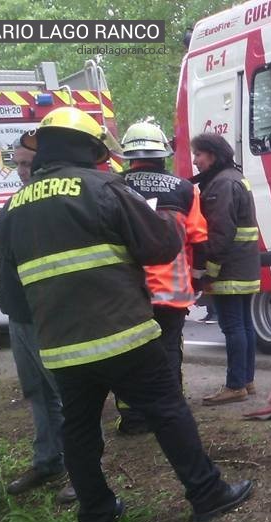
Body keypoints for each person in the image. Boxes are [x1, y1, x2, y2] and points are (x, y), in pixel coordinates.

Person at [0, 107, 253, 522]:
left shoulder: (15, 207)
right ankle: (207, 494)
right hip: (123, 335)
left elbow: (10, 292)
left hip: (62, 346)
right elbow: (158, 246)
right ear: (87, 148)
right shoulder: (102, 187)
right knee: (169, 410)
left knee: (77, 430)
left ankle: (96, 516)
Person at [0, 141, 76, 504]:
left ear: (45, 162)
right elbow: (9, 249)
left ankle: (82, 472)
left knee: (69, 396)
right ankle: (48, 461)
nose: (20, 171)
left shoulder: (50, 201)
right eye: (16, 164)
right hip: (19, 313)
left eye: (26, 163)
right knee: (38, 393)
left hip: (47, 314)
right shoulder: (17, 200)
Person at [112, 119, 208, 435]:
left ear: (128, 156)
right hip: (173, 291)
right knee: (168, 349)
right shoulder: (185, 189)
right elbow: (199, 238)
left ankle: (134, 418)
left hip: (129, 293)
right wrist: (198, 280)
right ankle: (170, 412)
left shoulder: (113, 187)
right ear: (162, 154)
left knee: (129, 355)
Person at [189, 133, 261, 406]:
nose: (195, 161)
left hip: (229, 268)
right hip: (244, 265)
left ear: (213, 155)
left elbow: (220, 232)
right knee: (244, 324)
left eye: (199, 155)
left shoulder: (220, 184)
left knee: (233, 326)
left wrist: (209, 271)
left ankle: (235, 385)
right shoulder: (234, 176)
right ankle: (247, 380)